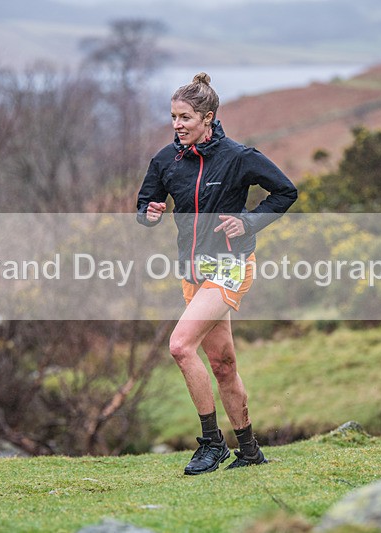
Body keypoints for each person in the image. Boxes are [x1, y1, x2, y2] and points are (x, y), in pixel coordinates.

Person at [136, 73, 297, 475]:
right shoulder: (165, 161)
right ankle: (249, 450)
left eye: (185, 117)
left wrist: (249, 221)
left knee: (179, 346)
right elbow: (144, 207)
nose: (177, 124)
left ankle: (212, 444)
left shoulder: (239, 157)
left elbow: (285, 192)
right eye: (173, 116)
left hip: (230, 266)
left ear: (207, 118)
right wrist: (149, 214)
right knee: (223, 363)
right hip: (193, 271)